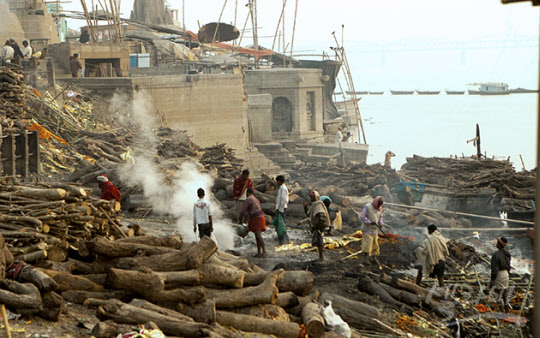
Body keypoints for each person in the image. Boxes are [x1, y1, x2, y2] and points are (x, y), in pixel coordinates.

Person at [304, 191, 331, 262]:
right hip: (317, 226)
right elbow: (309, 214)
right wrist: (305, 207)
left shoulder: (318, 205)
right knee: (318, 241)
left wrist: (316, 226)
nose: (310, 199)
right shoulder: (315, 205)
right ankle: (321, 257)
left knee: (319, 241)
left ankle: (321, 257)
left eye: (311, 197)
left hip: (319, 226)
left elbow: (322, 217)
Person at [239, 188, 267, 257]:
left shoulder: (248, 199)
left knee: (258, 235)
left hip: (257, 218)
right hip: (260, 217)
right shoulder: (256, 199)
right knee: (257, 235)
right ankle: (259, 252)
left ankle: (264, 251)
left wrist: (240, 220)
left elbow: (243, 211)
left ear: (247, 193)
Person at [488, 237, 512, 313]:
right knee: (505, 295)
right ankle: (507, 311)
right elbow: (509, 266)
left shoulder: (496, 255)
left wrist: (492, 280)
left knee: (497, 294)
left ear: (499, 245)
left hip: (499, 275)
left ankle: (502, 312)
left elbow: (494, 270)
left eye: (497, 243)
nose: (496, 244)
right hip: (506, 274)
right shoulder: (507, 254)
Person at [360, 196, 384, 266]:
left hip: (374, 230)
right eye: (378, 204)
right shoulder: (367, 207)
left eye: (380, 205)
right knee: (367, 244)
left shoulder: (379, 209)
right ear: (375, 202)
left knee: (375, 244)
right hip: (367, 229)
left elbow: (380, 217)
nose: (379, 206)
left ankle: (374, 257)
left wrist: (380, 223)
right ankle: (365, 258)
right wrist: (369, 222)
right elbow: (362, 216)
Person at [275, 175, 290, 245]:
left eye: (277, 181)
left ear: (280, 181)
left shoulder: (283, 188)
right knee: (281, 225)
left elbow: (283, 200)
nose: (277, 183)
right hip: (280, 208)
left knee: (281, 225)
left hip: (282, 209)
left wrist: (280, 209)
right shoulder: (281, 188)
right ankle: (284, 240)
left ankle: (283, 241)